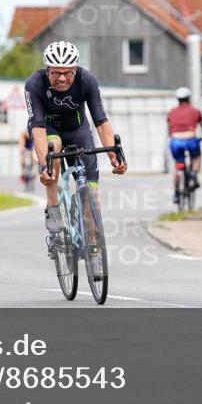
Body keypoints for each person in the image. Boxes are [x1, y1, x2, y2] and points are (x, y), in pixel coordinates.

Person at [25, 40, 127, 258]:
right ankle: (54, 220)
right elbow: (38, 129)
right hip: (48, 129)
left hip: (78, 131)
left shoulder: (86, 79)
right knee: (54, 149)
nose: (62, 79)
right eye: (56, 73)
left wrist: (114, 156)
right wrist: (44, 165)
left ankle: (92, 245)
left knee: (93, 195)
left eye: (68, 73)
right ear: (47, 70)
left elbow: (101, 121)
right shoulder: (34, 84)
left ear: (75, 70)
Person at [167, 87, 202, 204]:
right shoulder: (195, 111)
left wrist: (171, 137)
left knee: (178, 165)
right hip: (190, 139)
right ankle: (193, 174)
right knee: (196, 157)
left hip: (176, 141)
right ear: (189, 98)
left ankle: (176, 194)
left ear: (178, 99)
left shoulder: (171, 112)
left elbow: (169, 130)